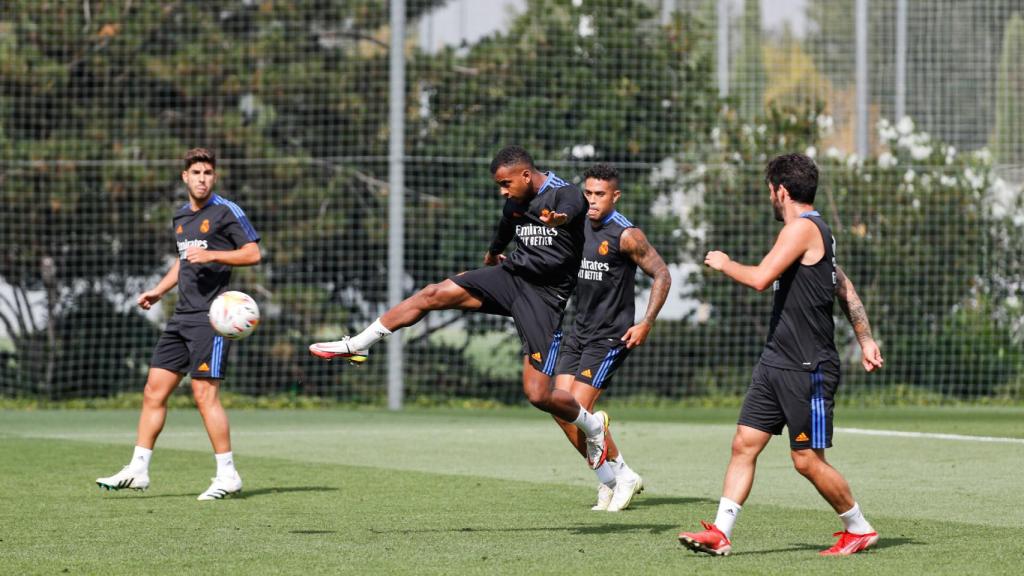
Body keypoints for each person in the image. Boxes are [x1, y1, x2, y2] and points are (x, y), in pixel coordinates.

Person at [309, 145, 611, 468]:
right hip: (510, 278)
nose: (502, 191)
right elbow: (504, 230)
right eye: (499, 185)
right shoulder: (514, 204)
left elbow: (571, 209)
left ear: (526, 174)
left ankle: (593, 425)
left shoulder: (565, 195)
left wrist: (558, 219)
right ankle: (359, 344)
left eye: (506, 184)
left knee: (539, 395)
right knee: (433, 294)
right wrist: (493, 254)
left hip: (544, 298)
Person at [677, 153, 884, 556]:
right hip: (776, 361)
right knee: (744, 443)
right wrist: (866, 339)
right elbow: (845, 287)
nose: (769, 197)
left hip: (808, 366)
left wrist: (723, 263)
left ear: (781, 191)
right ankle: (721, 532)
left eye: (770, 190)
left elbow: (758, 279)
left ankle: (859, 528)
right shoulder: (813, 231)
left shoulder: (802, 230)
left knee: (806, 460)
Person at [96, 148, 261, 500]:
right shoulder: (181, 217)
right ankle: (138, 469)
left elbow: (253, 253)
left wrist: (214, 253)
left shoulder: (226, 212)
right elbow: (184, 261)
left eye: (208, 173)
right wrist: (157, 291)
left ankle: (227, 475)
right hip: (180, 318)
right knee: (153, 390)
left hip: (211, 320)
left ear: (214, 177)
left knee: (204, 394)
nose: (203, 178)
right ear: (184, 177)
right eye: (197, 172)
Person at [552, 163, 671, 512]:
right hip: (578, 331)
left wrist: (646, 321)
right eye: (587, 193)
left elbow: (662, 274)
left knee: (578, 410)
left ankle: (622, 477)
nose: (591, 200)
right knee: (561, 410)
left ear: (615, 196)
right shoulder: (574, 227)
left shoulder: (626, 234)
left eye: (599, 194)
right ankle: (613, 478)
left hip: (609, 337)